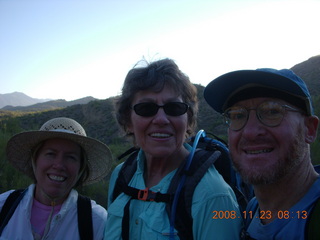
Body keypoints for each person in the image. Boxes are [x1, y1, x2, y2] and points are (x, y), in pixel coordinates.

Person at [104, 58, 243, 240]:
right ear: (128, 121)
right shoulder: (122, 175)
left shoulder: (212, 195)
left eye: (174, 108)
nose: (161, 119)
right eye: (146, 108)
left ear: (188, 119)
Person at [204, 68, 320, 239]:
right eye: (237, 115)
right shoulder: (252, 211)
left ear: (309, 129)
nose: (250, 132)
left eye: (272, 111)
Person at [0, 117, 113, 239]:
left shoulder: (96, 221)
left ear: (81, 167)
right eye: (50, 154)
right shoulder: (4, 206)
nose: (59, 165)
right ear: (35, 159)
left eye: (70, 157)